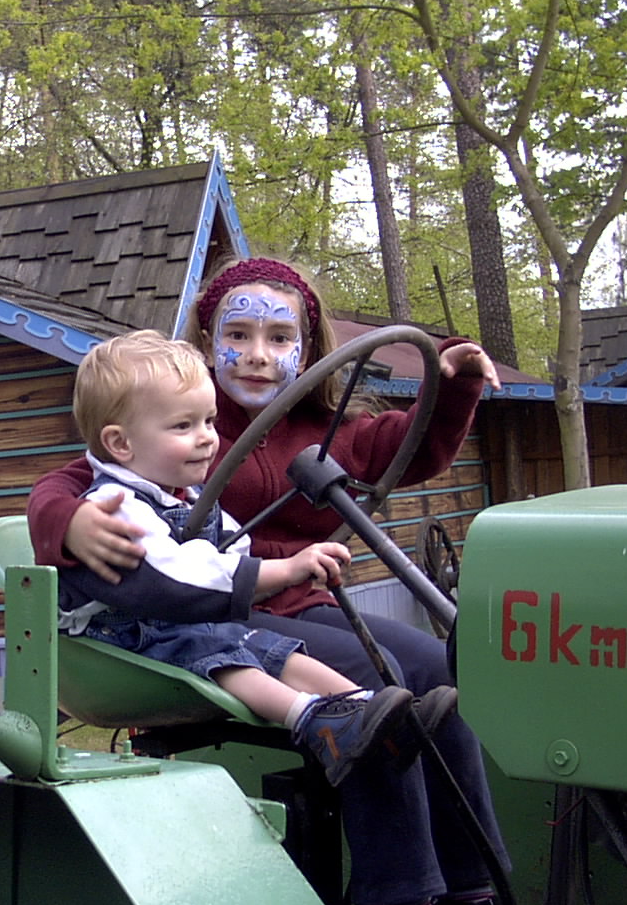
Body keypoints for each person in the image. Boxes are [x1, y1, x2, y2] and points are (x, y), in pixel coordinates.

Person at [27, 256, 510, 905]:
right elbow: (71, 482)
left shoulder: (325, 431)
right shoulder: (175, 420)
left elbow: (414, 443)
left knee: (443, 673)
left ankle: (474, 889)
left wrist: (451, 385)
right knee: (384, 694)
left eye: (280, 338)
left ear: (308, 350)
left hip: (303, 601)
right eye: (239, 334)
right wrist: (68, 522)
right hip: (224, 610)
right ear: (208, 342)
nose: (258, 354)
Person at [57, 330, 421, 786]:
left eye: (209, 421)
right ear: (121, 443)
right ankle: (312, 719)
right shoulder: (115, 506)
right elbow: (177, 580)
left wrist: (261, 562)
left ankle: (371, 712)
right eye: (183, 427)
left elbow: (233, 543)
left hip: (173, 622)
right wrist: (285, 569)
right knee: (224, 651)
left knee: (270, 646)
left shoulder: (184, 495)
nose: (207, 439)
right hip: (123, 640)